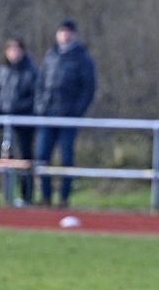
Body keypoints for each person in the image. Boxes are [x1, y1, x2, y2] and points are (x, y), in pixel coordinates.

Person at [35, 20, 96, 208]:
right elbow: (41, 82)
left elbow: (88, 88)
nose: (65, 35)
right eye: (62, 31)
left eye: (69, 32)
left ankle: (64, 198)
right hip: (48, 115)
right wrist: (41, 106)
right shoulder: (51, 55)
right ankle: (45, 197)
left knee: (66, 158)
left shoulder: (82, 58)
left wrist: (76, 111)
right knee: (42, 156)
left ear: (74, 35)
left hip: (68, 116)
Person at [0, 37, 39, 205]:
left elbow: (34, 97)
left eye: (17, 49)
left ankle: (27, 195)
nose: (14, 53)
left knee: (25, 158)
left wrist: (16, 108)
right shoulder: (2, 70)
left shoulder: (30, 71)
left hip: (24, 121)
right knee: (8, 157)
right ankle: (8, 196)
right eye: (10, 49)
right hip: (6, 121)